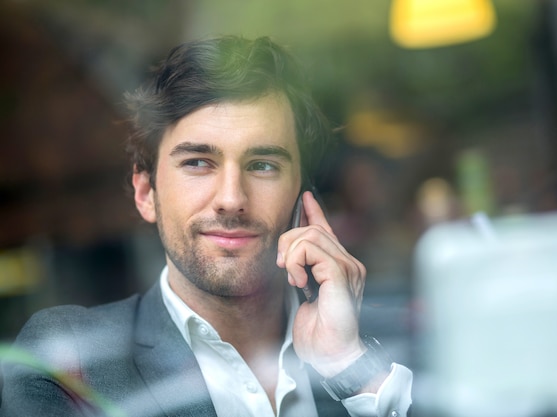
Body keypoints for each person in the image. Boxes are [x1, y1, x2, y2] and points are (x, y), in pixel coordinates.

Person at [0, 36, 413, 417]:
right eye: (197, 162)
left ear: (304, 199)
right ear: (146, 193)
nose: (231, 198)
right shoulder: (72, 357)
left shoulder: (388, 350)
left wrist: (350, 369)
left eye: (263, 165)